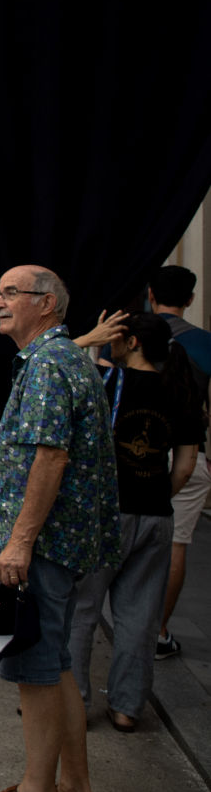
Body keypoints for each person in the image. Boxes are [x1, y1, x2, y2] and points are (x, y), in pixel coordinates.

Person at [0, 265, 117, 792]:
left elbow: (51, 457)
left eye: (11, 292)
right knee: (58, 664)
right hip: (60, 542)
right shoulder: (62, 357)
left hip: (45, 545)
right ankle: (75, 791)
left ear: (46, 304)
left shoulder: (50, 364)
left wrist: (20, 541)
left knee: (35, 668)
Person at [67, 311, 200, 732]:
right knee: (140, 618)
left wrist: (88, 339)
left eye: (116, 335)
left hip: (105, 513)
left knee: (82, 608)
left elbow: (49, 366)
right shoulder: (180, 389)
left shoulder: (106, 381)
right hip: (157, 515)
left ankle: (74, 703)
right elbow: (185, 465)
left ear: (132, 342)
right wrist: (157, 494)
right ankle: (126, 707)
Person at [146, 265, 211, 659]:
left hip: (136, 448)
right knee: (176, 543)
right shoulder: (205, 342)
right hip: (189, 449)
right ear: (190, 299)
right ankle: (158, 632)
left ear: (150, 294)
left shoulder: (129, 333)